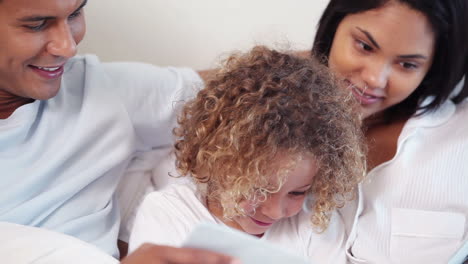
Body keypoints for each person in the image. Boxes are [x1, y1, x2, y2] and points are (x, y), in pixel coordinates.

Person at [0, 0, 238, 263]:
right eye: (36, 24)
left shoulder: (98, 90)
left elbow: (254, 88)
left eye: (75, 13)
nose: (68, 47)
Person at [128, 46, 367, 263]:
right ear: (216, 160)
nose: (275, 211)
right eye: (258, 189)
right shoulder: (169, 214)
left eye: (297, 192)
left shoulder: (313, 223)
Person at [311, 0, 468, 263]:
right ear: (334, 26)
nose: (375, 78)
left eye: (407, 65)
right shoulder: (265, 114)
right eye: (364, 46)